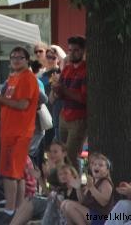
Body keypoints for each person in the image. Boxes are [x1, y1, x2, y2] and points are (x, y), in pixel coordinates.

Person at [0, 46, 40, 217]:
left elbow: (23, 105)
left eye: (20, 57)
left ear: (27, 60)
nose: (16, 60)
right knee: (16, 174)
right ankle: (17, 211)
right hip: (9, 131)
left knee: (10, 173)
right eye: (13, 57)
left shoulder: (27, 78)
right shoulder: (13, 78)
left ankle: (10, 211)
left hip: (20, 132)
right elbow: (9, 102)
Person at [53, 36, 87, 170]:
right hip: (64, 115)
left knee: (72, 155)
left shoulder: (86, 71)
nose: (72, 53)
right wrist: (57, 90)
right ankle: (65, 186)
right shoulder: (66, 69)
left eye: (76, 50)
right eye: (70, 50)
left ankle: (75, 188)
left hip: (78, 118)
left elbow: (83, 98)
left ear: (83, 51)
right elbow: (60, 93)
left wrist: (64, 90)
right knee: (62, 155)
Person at [60, 152, 115, 225]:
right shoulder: (92, 182)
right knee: (64, 204)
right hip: (90, 214)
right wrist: (78, 188)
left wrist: (91, 187)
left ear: (107, 170)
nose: (97, 166)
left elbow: (104, 202)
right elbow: (82, 201)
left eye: (101, 165)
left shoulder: (105, 183)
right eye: (94, 164)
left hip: (101, 218)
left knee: (69, 205)